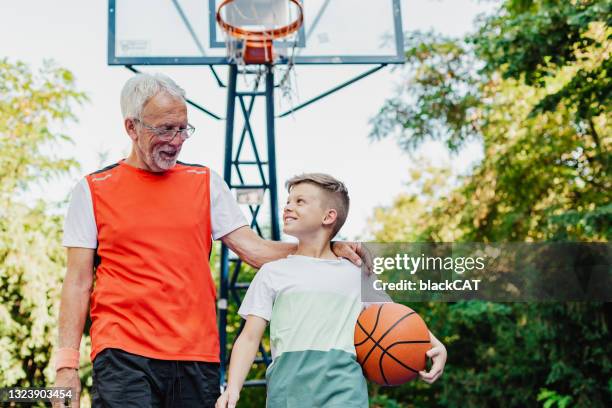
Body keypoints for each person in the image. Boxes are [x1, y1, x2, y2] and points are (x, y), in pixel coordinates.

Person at [53, 74, 363, 408]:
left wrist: (325, 251)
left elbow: (255, 251)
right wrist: (66, 365)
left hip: (196, 355)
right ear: (132, 127)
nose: (177, 140)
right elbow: (78, 281)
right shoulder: (93, 189)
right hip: (122, 352)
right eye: (165, 129)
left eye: (183, 128)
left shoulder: (205, 182)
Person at [216, 174, 447, 408]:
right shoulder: (272, 272)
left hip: (345, 392)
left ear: (329, 216)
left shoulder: (356, 273)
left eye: (300, 201)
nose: (288, 206)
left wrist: (435, 344)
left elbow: (396, 318)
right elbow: (249, 337)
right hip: (286, 394)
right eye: (288, 201)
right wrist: (233, 389)